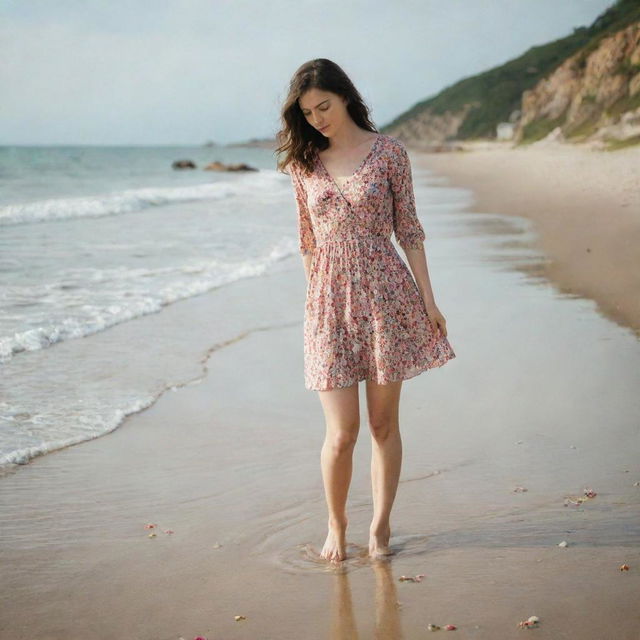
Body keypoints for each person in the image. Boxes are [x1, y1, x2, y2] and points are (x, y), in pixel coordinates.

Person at [276, 58, 456, 563]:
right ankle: (336, 526)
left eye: (324, 107)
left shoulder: (390, 154)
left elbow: (410, 232)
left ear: (346, 98)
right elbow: (307, 242)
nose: (317, 119)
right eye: (308, 112)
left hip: (386, 299)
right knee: (340, 434)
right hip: (329, 305)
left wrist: (428, 299)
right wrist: (316, 305)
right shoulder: (303, 165)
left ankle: (380, 527)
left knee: (382, 427)